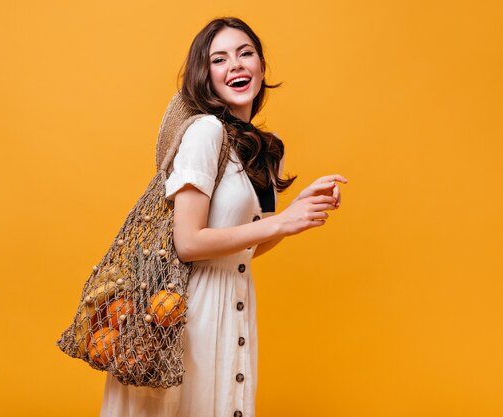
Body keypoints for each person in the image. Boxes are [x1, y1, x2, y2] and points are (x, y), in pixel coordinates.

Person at [99, 17, 347, 417]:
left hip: (235, 302)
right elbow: (188, 242)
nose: (236, 65)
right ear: (206, 76)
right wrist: (281, 222)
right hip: (186, 314)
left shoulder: (267, 149)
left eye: (245, 53)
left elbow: (246, 248)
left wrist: (295, 209)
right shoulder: (205, 133)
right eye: (220, 59)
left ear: (262, 67)